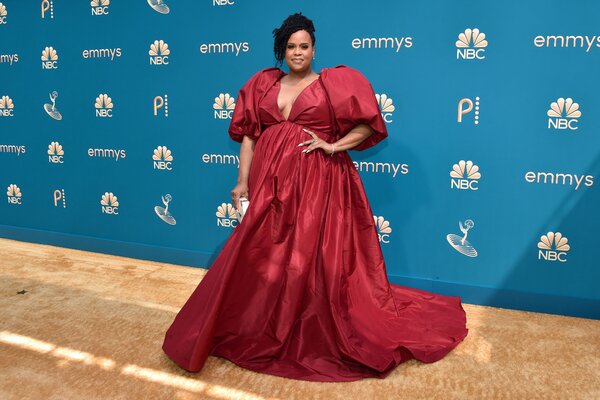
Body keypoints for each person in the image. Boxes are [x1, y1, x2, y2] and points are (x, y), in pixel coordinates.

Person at [162, 12, 468, 382]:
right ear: (282, 49)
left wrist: (334, 145)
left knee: (313, 254)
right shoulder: (263, 83)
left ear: (314, 48)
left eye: (304, 46)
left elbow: (368, 124)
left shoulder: (333, 84)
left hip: (318, 183)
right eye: (291, 46)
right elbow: (249, 136)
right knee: (262, 253)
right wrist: (242, 180)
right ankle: (257, 323)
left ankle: (306, 322)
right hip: (270, 182)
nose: (298, 52)